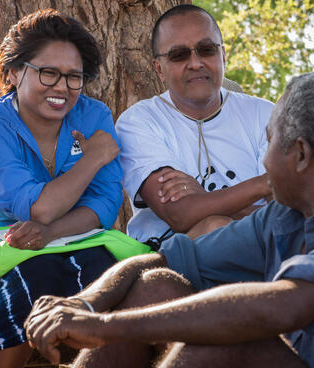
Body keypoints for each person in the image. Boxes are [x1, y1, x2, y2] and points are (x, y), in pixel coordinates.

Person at [25, 71, 314, 368]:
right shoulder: (284, 217)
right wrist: (85, 304)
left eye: (270, 141)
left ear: (302, 155)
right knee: (157, 285)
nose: (264, 160)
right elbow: (164, 260)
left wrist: (107, 327)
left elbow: (285, 306)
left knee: (224, 345)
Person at [0, 9, 123, 368]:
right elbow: (37, 209)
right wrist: (93, 158)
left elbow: (104, 201)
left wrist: (50, 232)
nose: (62, 87)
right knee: (38, 274)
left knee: (113, 274)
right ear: (13, 72)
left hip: (72, 252)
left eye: (74, 77)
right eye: (48, 73)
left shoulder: (93, 115)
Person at [115, 4, 274, 242]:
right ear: (159, 69)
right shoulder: (139, 121)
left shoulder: (265, 114)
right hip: (167, 255)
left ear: (223, 56)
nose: (196, 62)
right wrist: (264, 184)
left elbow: (287, 215)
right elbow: (179, 214)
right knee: (216, 227)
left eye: (207, 49)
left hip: (262, 244)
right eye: (179, 55)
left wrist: (201, 198)